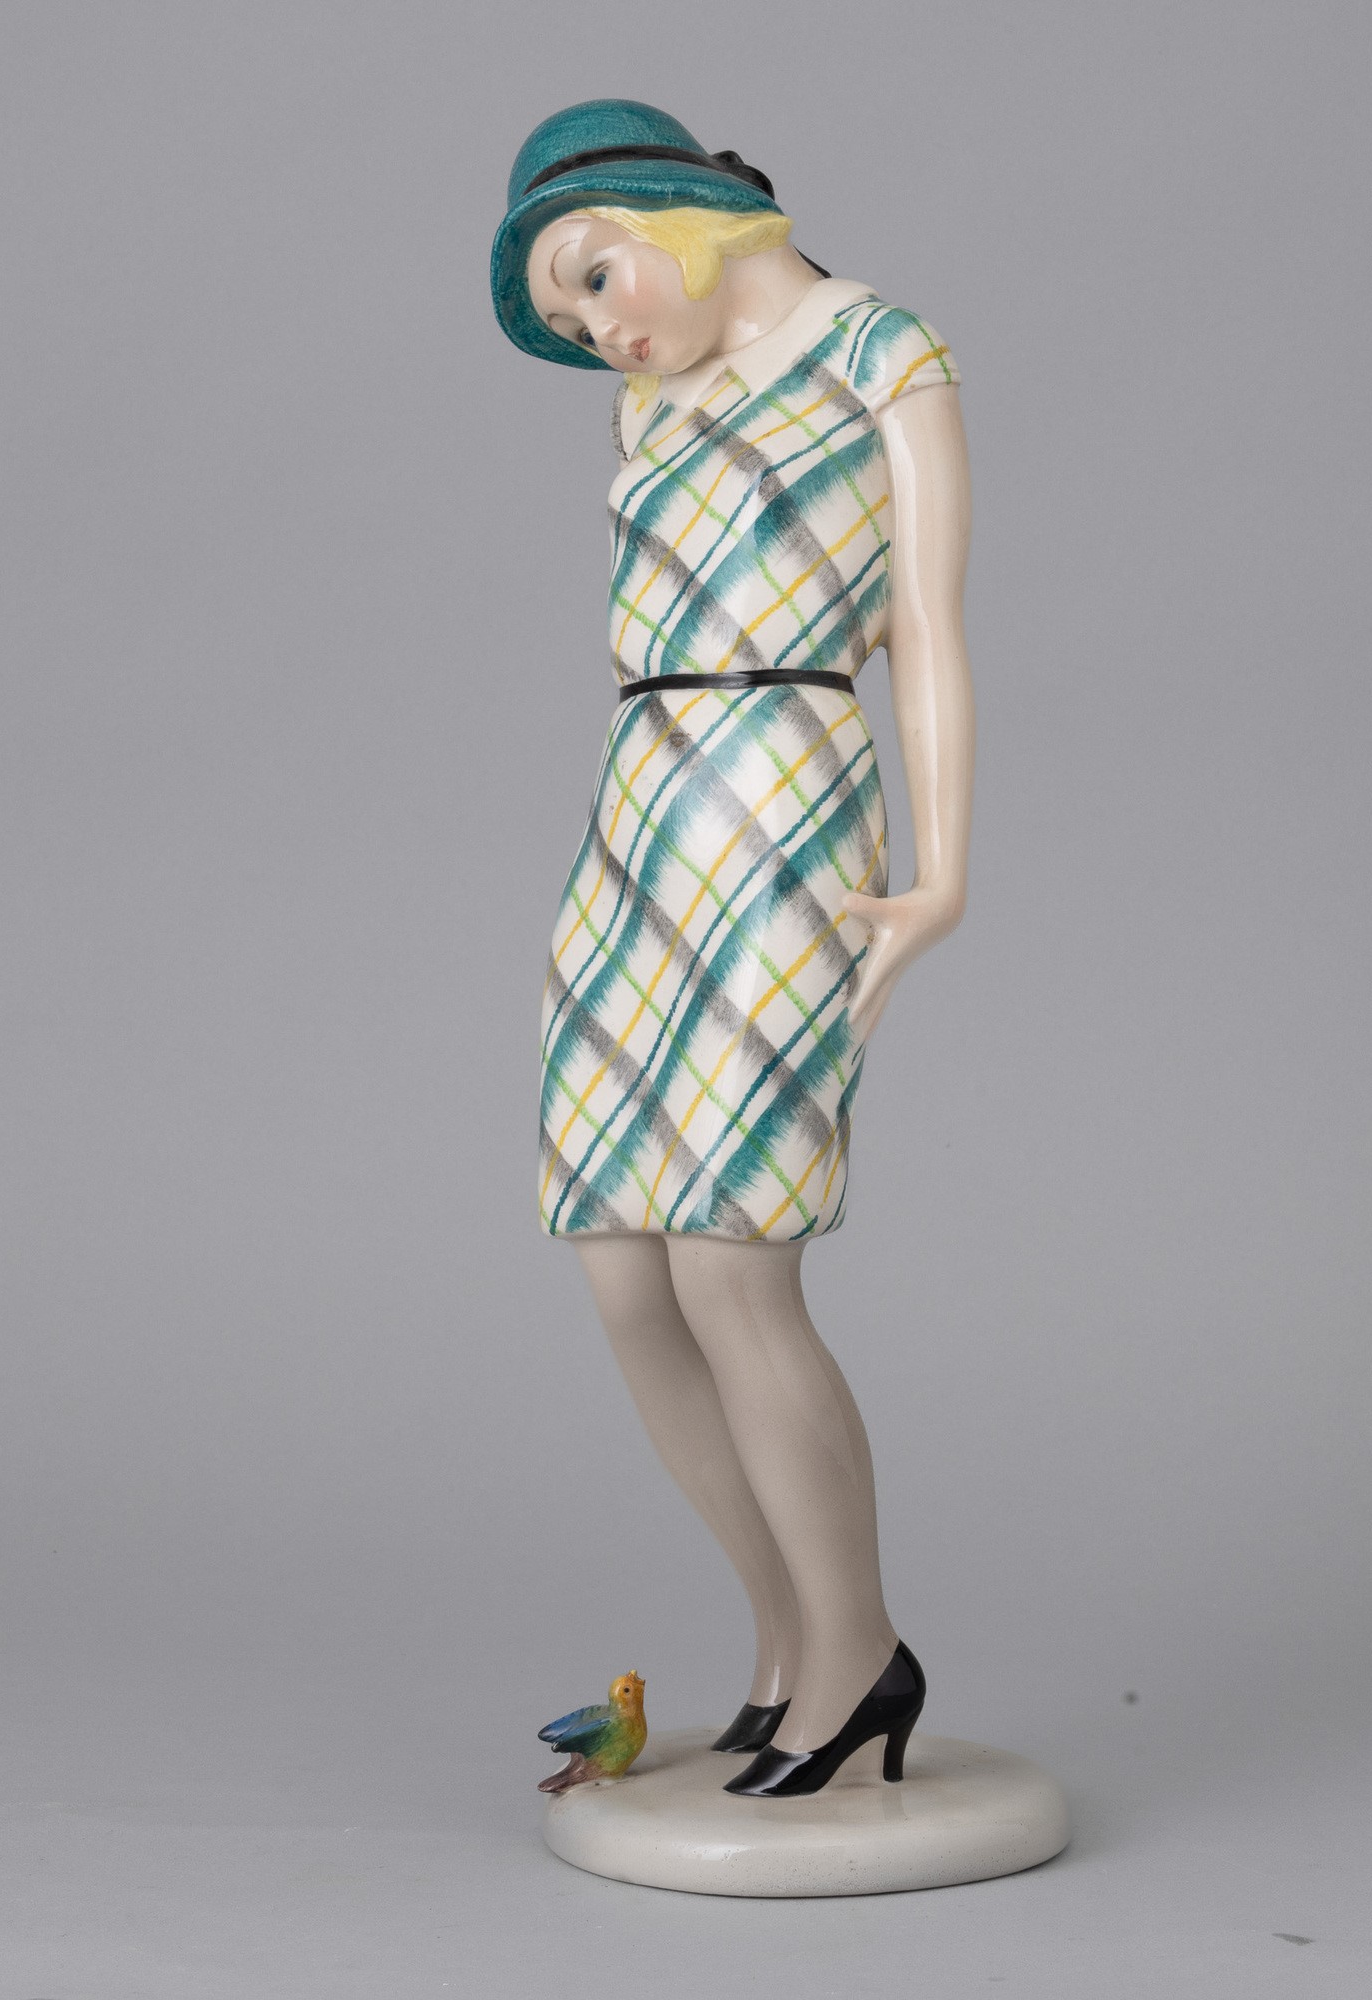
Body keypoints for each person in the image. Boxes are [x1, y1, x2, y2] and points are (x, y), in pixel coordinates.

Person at [491, 99, 975, 1799]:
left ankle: (860, 1650)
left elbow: (928, 630)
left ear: (673, 212)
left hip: (785, 794)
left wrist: (940, 873)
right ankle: (785, 1643)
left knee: (728, 1256)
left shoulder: (881, 352)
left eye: (592, 274)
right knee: (619, 1258)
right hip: (640, 809)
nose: (598, 329)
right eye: (567, 324)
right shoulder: (653, 399)